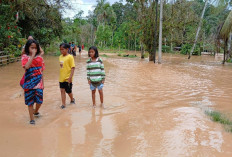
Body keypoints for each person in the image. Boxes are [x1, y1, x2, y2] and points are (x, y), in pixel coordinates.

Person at [21, 39, 45, 125]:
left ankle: (36, 111)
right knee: (30, 102)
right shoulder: (24, 57)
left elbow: (41, 71)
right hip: (28, 83)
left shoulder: (40, 58)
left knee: (40, 101)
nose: (33, 50)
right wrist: (32, 56)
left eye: (35, 48)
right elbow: (26, 67)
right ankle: (32, 119)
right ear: (28, 48)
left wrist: (43, 83)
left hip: (39, 83)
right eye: (32, 48)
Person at [59, 43, 75, 109]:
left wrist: (70, 77)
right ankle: (63, 104)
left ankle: (72, 99)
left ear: (67, 49)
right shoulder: (60, 57)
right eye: (60, 49)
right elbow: (62, 66)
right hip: (61, 78)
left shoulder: (70, 57)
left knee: (68, 91)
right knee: (62, 91)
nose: (61, 51)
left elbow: (73, 67)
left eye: (63, 49)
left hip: (68, 78)